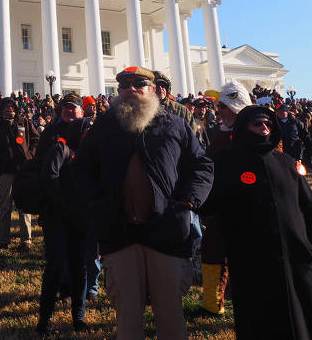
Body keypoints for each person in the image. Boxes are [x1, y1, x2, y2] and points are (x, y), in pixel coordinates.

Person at [77, 66, 213, 340]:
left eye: (139, 84)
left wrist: (188, 202)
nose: (131, 90)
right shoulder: (104, 126)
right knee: (127, 315)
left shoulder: (174, 124)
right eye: (124, 85)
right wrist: (97, 206)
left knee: (171, 314)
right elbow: (81, 170)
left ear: (152, 89)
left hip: (166, 233)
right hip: (120, 235)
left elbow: (202, 165)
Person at [204, 106, 312, 339]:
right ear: (244, 128)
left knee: (305, 327)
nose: (264, 128)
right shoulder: (226, 165)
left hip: (297, 263)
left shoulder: (287, 163)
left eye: (268, 123)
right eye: (257, 124)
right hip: (254, 268)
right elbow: (209, 206)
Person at [199, 81, 250, 315]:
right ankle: (212, 303)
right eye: (218, 106)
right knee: (212, 251)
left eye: (224, 106)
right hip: (219, 205)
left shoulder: (258, 130)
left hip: (249, 206)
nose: (219, 111)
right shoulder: (217, 133)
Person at [36, 116, 91, 334]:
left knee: (80, 268)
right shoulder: (61, 148)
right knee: (56, 267)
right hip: (57, 218)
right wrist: (65, 206)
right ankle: (44, 320)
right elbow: (49, 177)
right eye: (87, 131)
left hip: (80, 220)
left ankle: (79, 317)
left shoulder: (88, 154)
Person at [0, 97, 39, 250]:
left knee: (24, 206)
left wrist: (31, 154)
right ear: (1, 109)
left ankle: (26, 239)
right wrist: (0, 158)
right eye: (6, 108)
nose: (9, 110)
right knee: (5, 206)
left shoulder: (24, 122)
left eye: (11, 108)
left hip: (23, 169)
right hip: (6, 171)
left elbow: (36, 139)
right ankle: (3, 239)